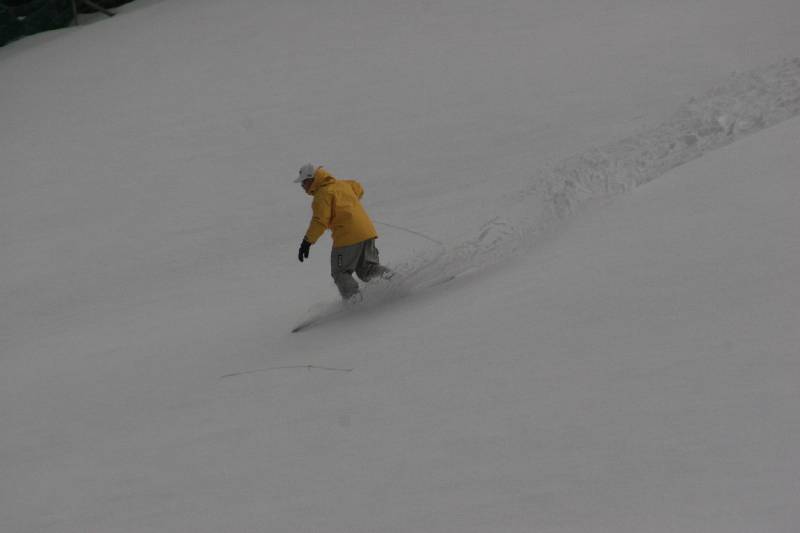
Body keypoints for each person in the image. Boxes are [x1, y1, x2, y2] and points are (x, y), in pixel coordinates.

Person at [295, 164, 392, 300]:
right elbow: (358, 188)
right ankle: (394, 279)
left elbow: (320, 221)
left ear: (312, 179)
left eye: (304, 182)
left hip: (347, 237)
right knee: (367, 269)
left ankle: (355, 302)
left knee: (340, 273)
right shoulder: (343, 184)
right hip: (367, 232)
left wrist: (307, 242)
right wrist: (347, 204)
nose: (302, 186)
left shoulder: (322, 195)